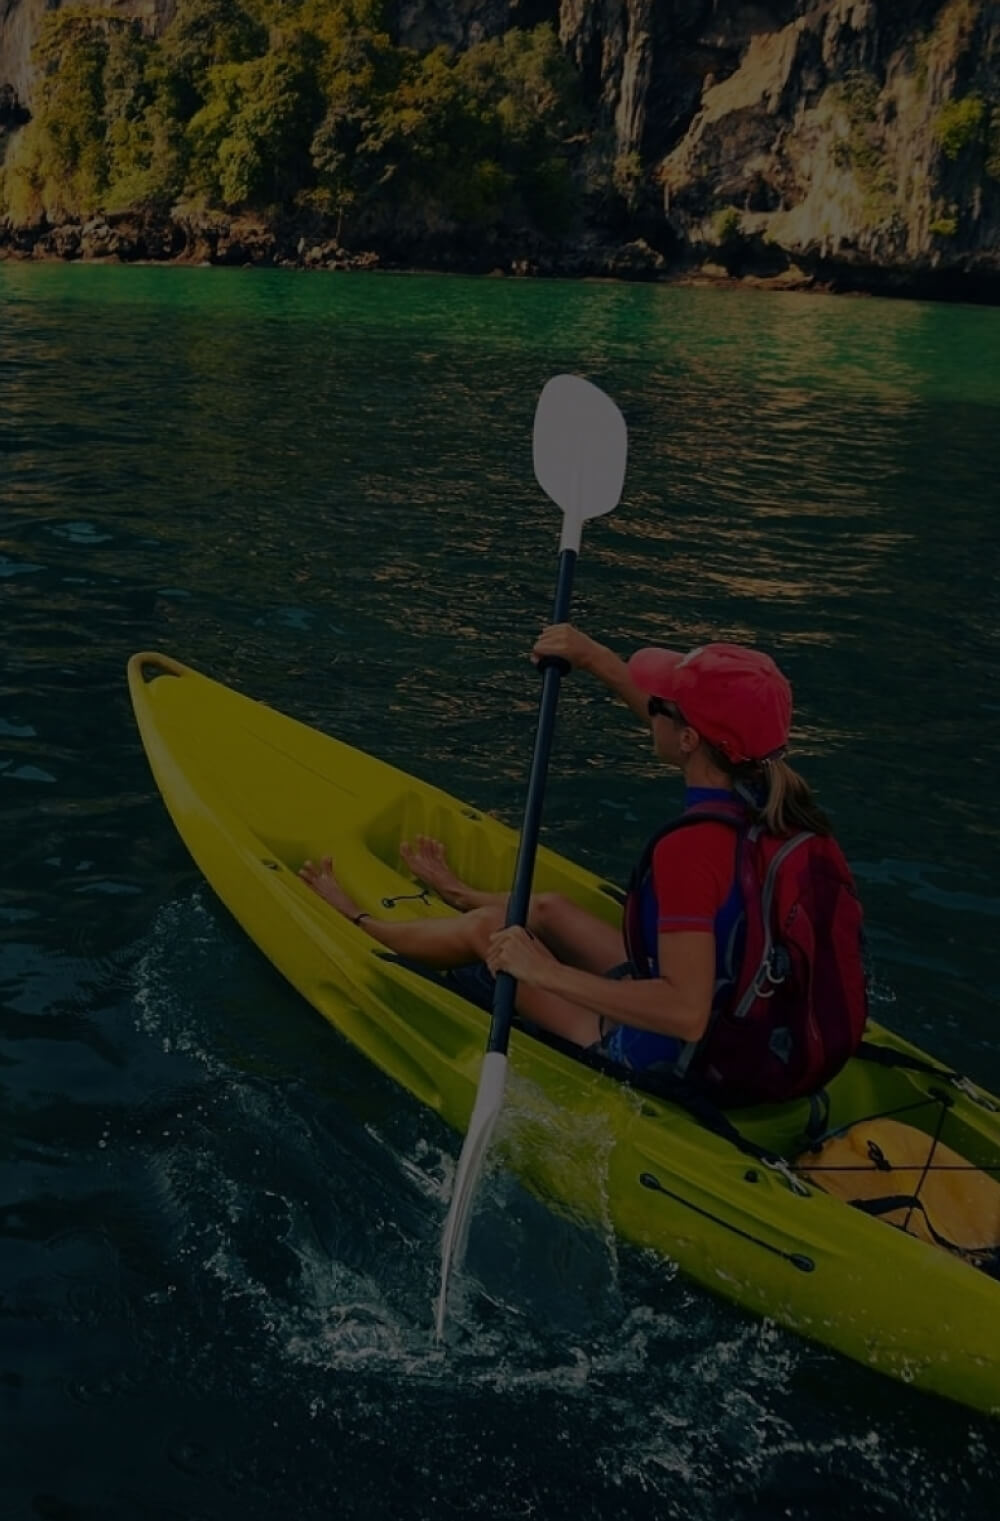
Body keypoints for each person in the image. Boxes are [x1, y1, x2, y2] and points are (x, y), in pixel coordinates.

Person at [299, 624, 858, 1097]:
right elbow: (687, 727)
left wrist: (545, 973)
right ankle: (462, 893)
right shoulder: (775, 797)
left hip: (672, 1052)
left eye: (661, 704)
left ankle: (359, 924)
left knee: (494, 932)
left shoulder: (690, 852)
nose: (652, 709)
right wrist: (591, 658)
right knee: (550, 908)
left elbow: (685, 1011)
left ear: (688, 738)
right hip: (748, 1027)